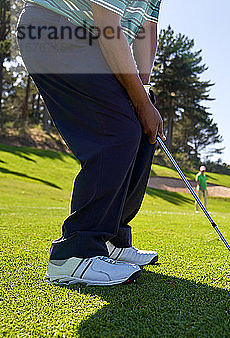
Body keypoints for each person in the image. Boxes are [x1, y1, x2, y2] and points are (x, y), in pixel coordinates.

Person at [17, 0, 164, 286]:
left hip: (91, 40)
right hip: (55, 27)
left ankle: (112, 240)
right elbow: (107, 23)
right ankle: (74, 254)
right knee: (117, 130)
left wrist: (144, 94)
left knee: (141, 130)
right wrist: (140, 102)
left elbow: (146, 29)